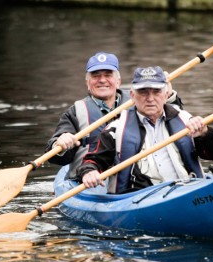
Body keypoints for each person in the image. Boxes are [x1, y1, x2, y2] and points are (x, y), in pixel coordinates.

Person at [77, 66, 213, 194]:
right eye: (143, 92)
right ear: (132, 95)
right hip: (140, 198)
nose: (150, 98)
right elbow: (92, 161)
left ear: (166, 94)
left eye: (156, 91)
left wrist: (205, 134)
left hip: (188, 191)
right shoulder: (115, 130)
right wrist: (89, 172)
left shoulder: (186, 120)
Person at [46, 52, 182, 180]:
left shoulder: (140, 99)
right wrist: (60, 144)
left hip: (134, 178)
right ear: (87, 83)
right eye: (96, 76)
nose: (102, 80)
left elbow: (173, 123)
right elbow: (58, 158)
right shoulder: (75, 112)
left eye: (108, 75)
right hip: (89, 179)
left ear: (118, 81)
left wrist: (168, 95)